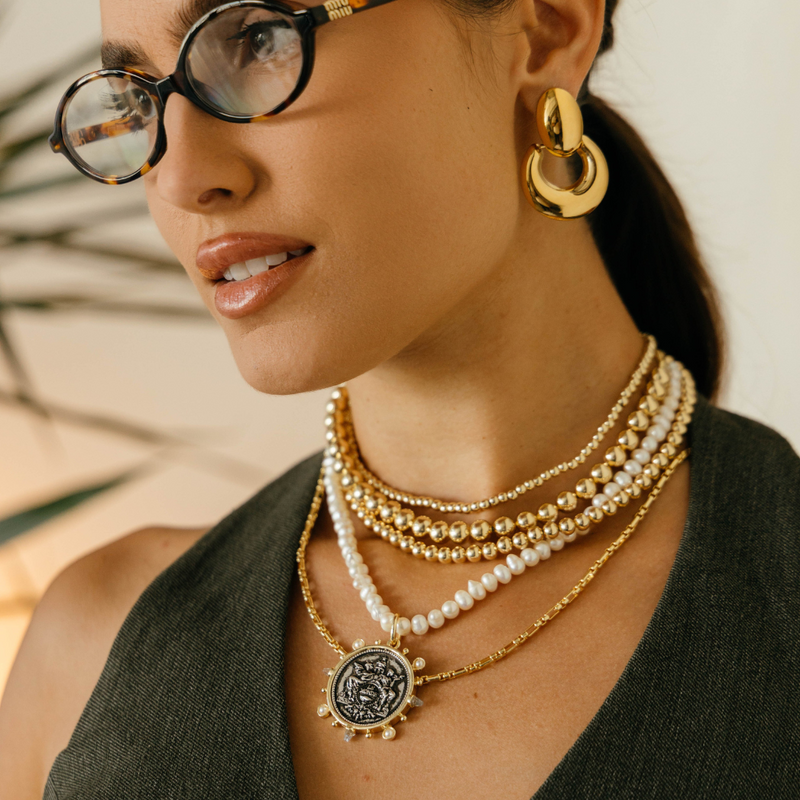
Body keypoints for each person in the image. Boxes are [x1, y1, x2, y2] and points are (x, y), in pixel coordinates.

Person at [1, 0, 798, 797]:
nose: (179, 176)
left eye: (257, 40)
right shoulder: (97, 639)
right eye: (134, 97)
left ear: (548, 30)